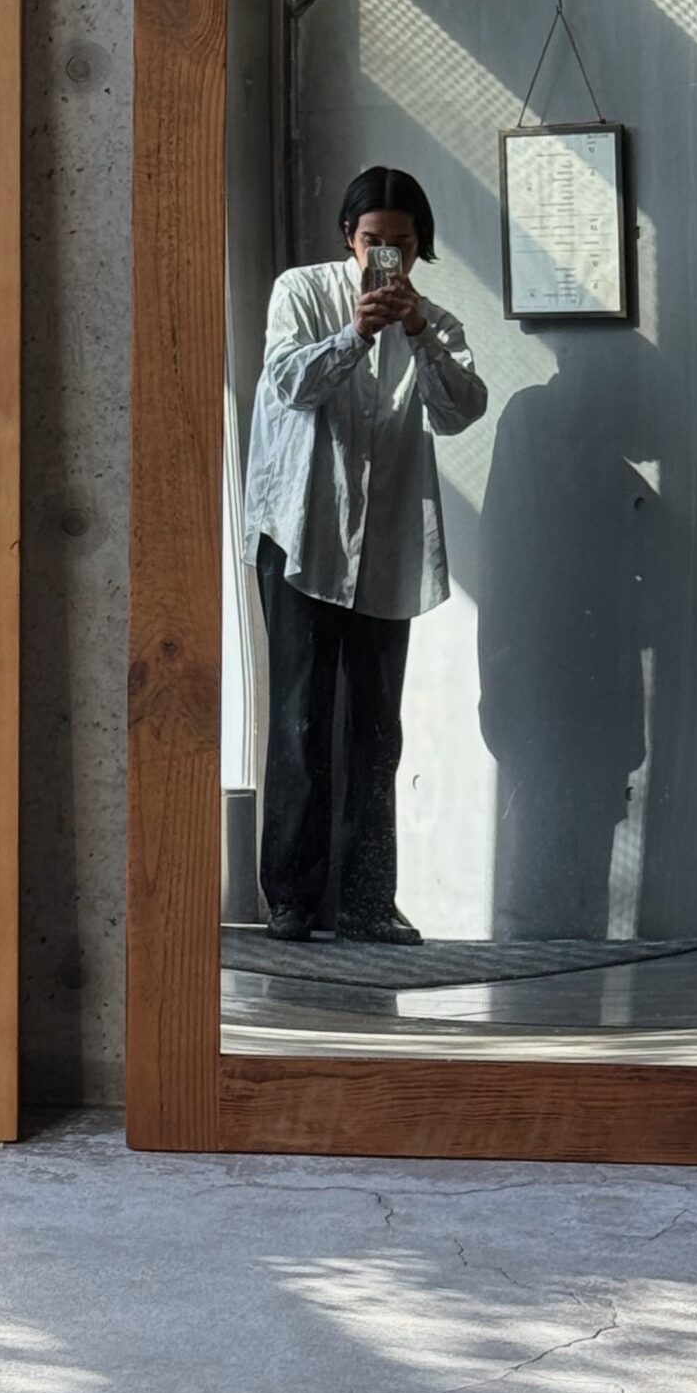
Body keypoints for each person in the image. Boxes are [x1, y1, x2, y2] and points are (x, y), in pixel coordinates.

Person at [243, 166, 488, 944]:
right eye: (375, 240)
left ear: (421, 246)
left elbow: (462, 410)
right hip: (301, 533)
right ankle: (291, 897)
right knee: (300, 720)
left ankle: (366, 900)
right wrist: (355, 333)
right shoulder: (301, 291)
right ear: (349, 237)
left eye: (403, 244)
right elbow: (289, 382)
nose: (389, 257)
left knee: (378, 729)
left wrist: (414, 333)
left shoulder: (434, 322)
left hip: (385, 543)